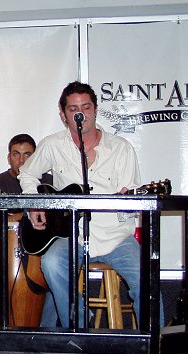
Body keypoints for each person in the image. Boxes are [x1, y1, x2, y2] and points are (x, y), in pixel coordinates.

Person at [17, 81, 163, 328]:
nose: (80, 113)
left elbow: (131, 206)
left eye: (85, 107)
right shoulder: (53, 145)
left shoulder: (121, 149)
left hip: (114, 237)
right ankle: (81, 330)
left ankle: (154, 345)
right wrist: (35, 204)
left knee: (146, 277)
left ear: (95, 110)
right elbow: (27, 174)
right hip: (70, 235)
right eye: (73, 108)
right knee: (51, 264)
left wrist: (127, 201)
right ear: (63, 115)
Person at [0, 134, 51, 325]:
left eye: (28, 155)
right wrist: (0, 223)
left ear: (36, 157)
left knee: (53, 271)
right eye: (16, 154)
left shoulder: (48, 183)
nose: (21, 160)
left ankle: (46, 332)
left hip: (38, 249)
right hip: (0, 249)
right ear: (8, 157)